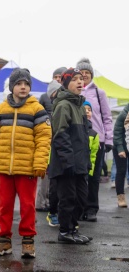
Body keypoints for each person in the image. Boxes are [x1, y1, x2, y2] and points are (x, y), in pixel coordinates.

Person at [0, 68, 51, 258]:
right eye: (19, 84)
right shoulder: (0, 109)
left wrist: (40, 164)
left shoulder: (37, 109)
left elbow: (44, 139)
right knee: (4, 206)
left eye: (26, 84)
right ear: (12, 86)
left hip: (28, 168)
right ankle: (4, 241)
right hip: (4, 167)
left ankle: (28, 242)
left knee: (27, 206)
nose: (23, 87)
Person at [46, 68, 92, 244]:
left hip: (79, 163)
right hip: (67, 164)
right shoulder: (64, 105)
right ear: (65, 83)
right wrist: (68, 162)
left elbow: (83, 139)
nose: (80, 82)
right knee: (68, 199)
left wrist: (86, 162)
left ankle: (73, 229)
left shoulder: (79, 105)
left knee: (81, 199)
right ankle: (65, 232)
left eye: (81, 79)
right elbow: (60, 135)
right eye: (75, 79)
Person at [78, 58, 113, 222]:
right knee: (78, 176)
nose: (84, 75)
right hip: (78, 138)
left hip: (96, 140)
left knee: (93, 176)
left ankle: (91, 208)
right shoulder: (73, 92)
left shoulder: (100, 93)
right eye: (81, 72)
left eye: (87, 72)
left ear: (91, 74)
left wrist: (108, 140)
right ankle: (79, 208)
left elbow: (107, 118)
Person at [36, 80, 63, 212]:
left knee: (50, 176)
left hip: (54, 139)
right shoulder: (44, 99)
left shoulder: (60, 104)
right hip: (47, 140)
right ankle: (40, 203)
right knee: (45, 175)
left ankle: (46, 201)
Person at [113, 104, 129, 205]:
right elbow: (117, 132)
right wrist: (120, 149)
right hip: (121, 146)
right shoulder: (123, 115)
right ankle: (121, 198)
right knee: (121, 171)